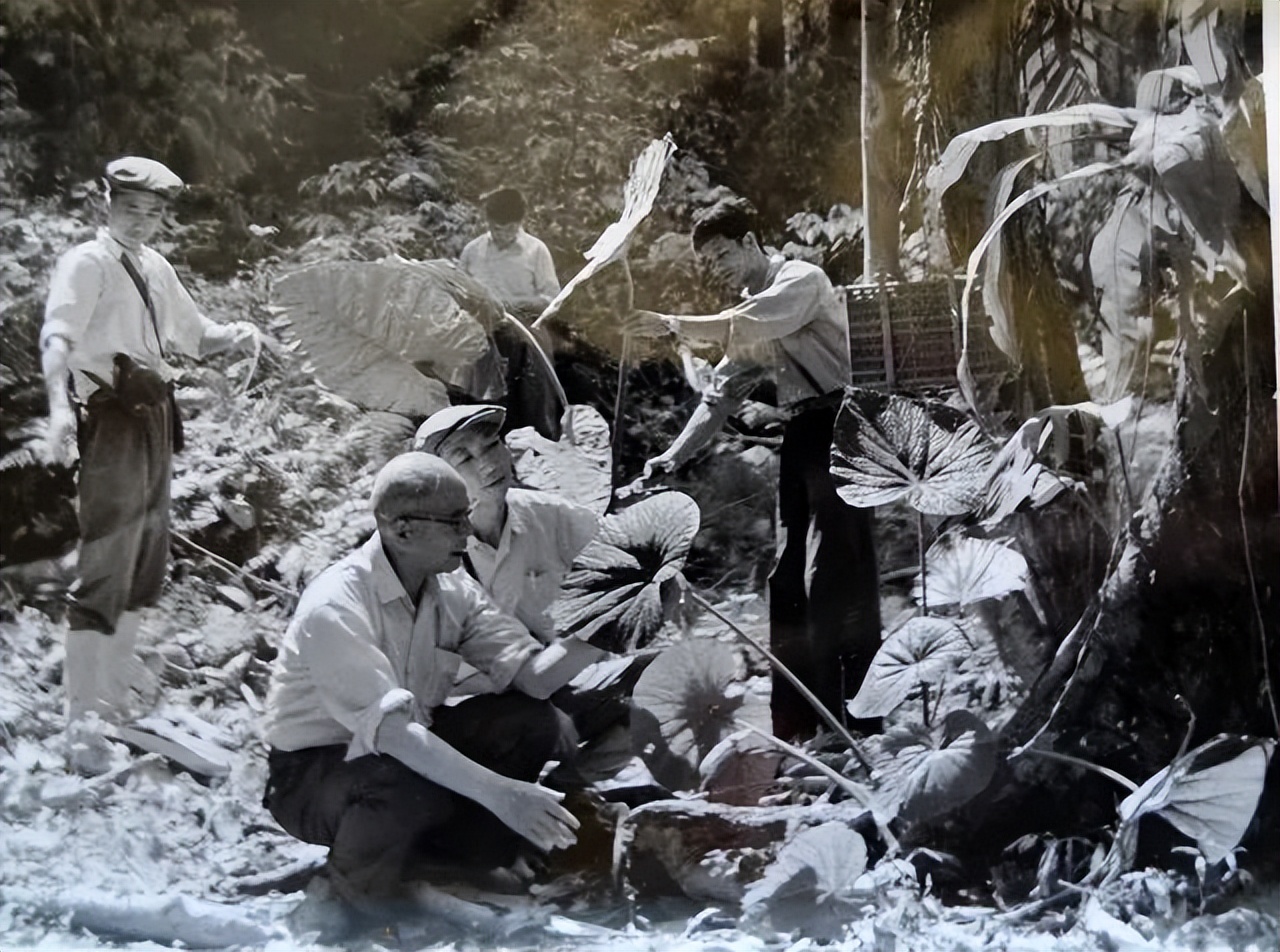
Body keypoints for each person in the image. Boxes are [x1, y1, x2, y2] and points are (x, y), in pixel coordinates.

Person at [261, 453, 612, 910]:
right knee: (399, 780)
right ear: (402, 530)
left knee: (529, 720)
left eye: (466, 516)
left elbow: (534, 679)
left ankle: (452, 861)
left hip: (404, 751)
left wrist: (610, 624)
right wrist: (505, 795)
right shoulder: (337, 604)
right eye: (453, 521)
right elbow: (392, 734)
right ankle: (350, 902)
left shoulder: (452, 590)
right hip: (312, 774)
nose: (468, 532)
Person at [625, 196, 882, 741]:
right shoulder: (748, 312)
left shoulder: (799, 280)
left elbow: (744, 324)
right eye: (708, 261)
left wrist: (672, 324)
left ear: (750, 242)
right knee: (786, 578)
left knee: (835, 575)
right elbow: (719, 396)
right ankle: (799, 725)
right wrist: (673, 455)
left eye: (722, 253)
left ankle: (854, 721)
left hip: (846, 426)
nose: (716, 267)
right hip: (803, 437)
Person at [40, 155, 258, 773]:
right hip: (109, 418)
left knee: (146, 561)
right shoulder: (86, 263)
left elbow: (196, 334)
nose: (142, 221)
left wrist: (235, 334)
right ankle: (81, 727)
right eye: (131, 209)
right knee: (107, 560)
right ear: (105, 204)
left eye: (154, 212)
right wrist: (59, 409)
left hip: (156, 417)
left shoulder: (156, 267)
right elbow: (57, 338)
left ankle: (110, 710)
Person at [458, 186, 563, 438]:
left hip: (527, 332)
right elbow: (460, 294)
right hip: (484, 334)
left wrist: (513, 303)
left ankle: (541, 449)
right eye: (495, 228)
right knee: (482, 402)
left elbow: (552, 300)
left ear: (520, 222)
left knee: (534, 399)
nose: (501, 235)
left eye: (508, 229)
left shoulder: (535, 250)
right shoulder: (473, 251)